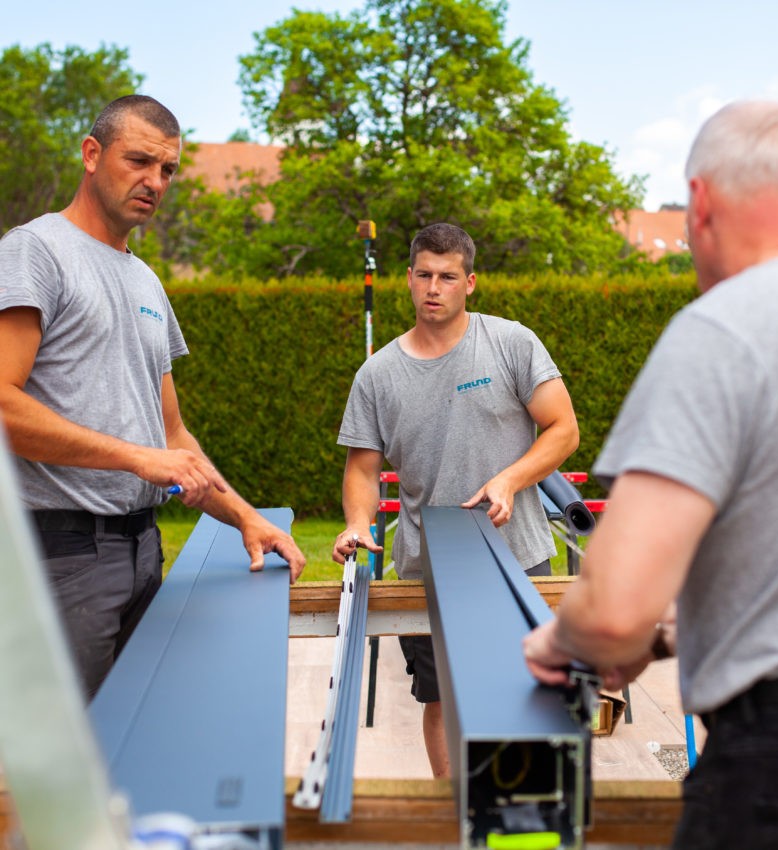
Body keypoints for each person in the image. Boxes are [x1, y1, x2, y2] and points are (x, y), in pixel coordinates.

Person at [523, 99, 778, 848]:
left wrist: (563, 641)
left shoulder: (725, 330)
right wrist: (669, 637)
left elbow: (614, 609)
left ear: (699, 203)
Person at [0, 95, 305, 699]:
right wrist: (137, 459)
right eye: (139, 161)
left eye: (167, 169)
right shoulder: (34, 251)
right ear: (92, 154)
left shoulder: (145, 280)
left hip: (143, 547)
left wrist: (246, 517)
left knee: (134, 731)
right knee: (69, 747)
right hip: (59, 555)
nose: (155, 182)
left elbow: (172, 436)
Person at [333, 222, 579, 777]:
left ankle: (521, 811)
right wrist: (357, 522)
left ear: (470, 282)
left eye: (447, 277)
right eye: (424, 275)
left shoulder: (511, 342)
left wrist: (510, 479)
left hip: (517, 559)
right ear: (408, 279)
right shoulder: (377, 375)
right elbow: (362, 470)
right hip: (427, 570)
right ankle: (451, 812)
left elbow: (564, 429)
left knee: (528, 694)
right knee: (442, 700)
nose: (433, 288)